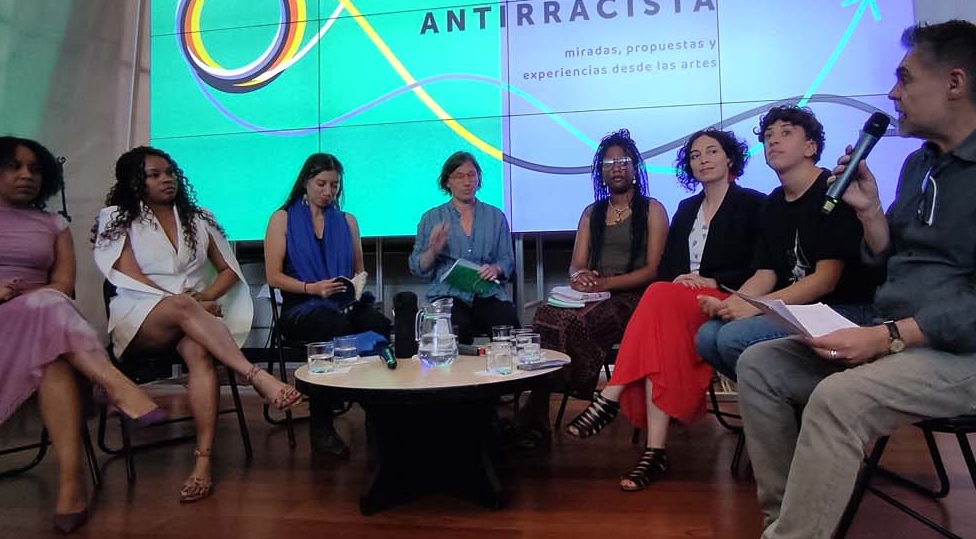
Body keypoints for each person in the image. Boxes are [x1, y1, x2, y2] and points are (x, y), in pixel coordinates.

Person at [705, 20, 976, 539]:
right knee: (762, 365)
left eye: (905, 78)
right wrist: (874, 215)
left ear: (955, 82)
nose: (893, 92)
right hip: (905, 339)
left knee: (839, 399)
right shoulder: (919, 165)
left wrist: (887, 338)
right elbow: (894, 260)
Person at [0, 137, 165, 534]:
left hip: (43, 329)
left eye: (35, 169)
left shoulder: (53, 225)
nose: (27, 175)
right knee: (48, 313)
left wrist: (26, 300)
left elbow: (63, 287)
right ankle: (116, 386)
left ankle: (70, 484)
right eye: (14, 167)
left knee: (53, 352)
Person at [93, 146, 302, 504]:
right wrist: (194, 304)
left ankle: (202, 462)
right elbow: (128, 275)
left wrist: (203, 299)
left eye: (170, 172)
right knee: (182, 307)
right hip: (140, 315)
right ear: (135, 182)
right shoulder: (117, 217)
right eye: (154, 174)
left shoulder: (199, 217)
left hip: (193, 317)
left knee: (199, 352)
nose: (166, 179)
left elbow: (228, 271)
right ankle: (255, 376)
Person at [561, 128, 762, 490]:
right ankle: (655, 453)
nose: (703, 160)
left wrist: (712, 280)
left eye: (711, 152)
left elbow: (759, 266)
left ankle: (612, 394)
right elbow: (668, 268)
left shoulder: (753, 204)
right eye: (695, 155)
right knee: (660, 325)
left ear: (730, 158)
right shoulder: (686, 209)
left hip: (725, 295)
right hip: (680, 298)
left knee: (655, 295)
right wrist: (681, 278)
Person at [694, 106, 876, 383]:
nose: (774, 141)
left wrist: (758, 307)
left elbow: (825, 280)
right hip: (797, 310)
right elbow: (765, 274)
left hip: (844, 308)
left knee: (731, 337)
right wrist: (732, 305)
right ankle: (782, 393)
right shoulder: (773, 203)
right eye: (768, 136)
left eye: (786, 133)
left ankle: (804, 394)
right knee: (708, 336)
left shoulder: (835, 191)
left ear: (810, 147)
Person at [521, 130, 671, 450]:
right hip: (594, 292)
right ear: (600, 172)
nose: (616, 167)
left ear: (635, 168)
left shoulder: (653, 210)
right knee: (545, 316)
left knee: (578, 322)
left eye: (623, 161)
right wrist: (581, 278)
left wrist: (607, 284)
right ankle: (538, 406)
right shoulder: (592, 213)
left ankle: (539, 412)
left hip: (636, 296)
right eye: (609, 163)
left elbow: (653, 270)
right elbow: (576, 265)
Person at [264, 152, 390, 457]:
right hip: (300, 308)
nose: (328, 191)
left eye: (334, 185)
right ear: (306, 182)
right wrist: (313, 288)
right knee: (331, 324)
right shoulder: (282, 218)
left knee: (378, 324)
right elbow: (273, 277)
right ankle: (321, 425)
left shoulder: (347, 221)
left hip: (342, 302)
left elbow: (359, 271)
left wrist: (354, 286)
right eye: (321, 184)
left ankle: (379, 412)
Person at [409, 151, 518, 343]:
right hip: (448, 293)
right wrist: (433, 251)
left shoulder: (495, 216)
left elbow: (507, 260)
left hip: (487, 292)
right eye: (460, 176)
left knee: (505, 320)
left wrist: (496, 269)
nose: (467, 182)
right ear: (447, 182)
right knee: (456, 326)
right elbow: (417, 268)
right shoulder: (431, 217)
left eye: (472, 175)